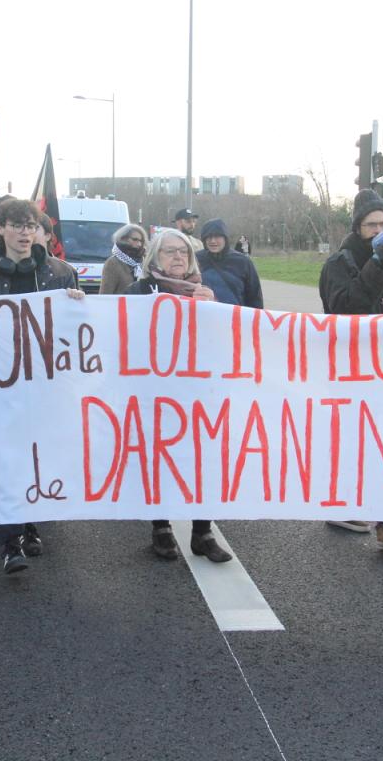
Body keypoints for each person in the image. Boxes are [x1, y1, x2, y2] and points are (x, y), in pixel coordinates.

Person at [0, 198, 82, 574]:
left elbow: (73, 329)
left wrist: (77, 302)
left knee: (36, 457)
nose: (25, 232)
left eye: (31, 225)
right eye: (18, 225)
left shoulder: (61, 272)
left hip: (44, 386)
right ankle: (9, 542)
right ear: (1, 229)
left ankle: (31, 524)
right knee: (4, 459)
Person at [125, 228, 234, 564]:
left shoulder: (204, 292)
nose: (177, 257)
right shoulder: (139, 291)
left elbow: (226, 339)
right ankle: (161, 528)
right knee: (160, 460)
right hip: (155, 393)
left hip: (198, 394)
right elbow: (120, 334)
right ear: (154, 258)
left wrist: (213, 310)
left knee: (203, 462)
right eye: (168, 252)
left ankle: (202, 533)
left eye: (183, 252)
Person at [317, 189, 383, 549]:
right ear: (358, 228)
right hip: (349, 369)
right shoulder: (338, 263)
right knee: (353, 441)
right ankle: (340, 503)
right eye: (372, 225)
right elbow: (343, 308)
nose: (379, 230)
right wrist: (375, 266)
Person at [195, 219, 264, 308]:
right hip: (203, 316)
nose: (212, 241)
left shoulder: (243, 262)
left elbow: (255, 297)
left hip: (235, 318)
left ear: (225, 238)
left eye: (217, 236)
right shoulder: (196, 259)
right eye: (208, 237)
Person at [98, 224, 148, 295]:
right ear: (123, 238)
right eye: (135, 240)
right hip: (119, 305)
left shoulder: (144, 262)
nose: (139, 244)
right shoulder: (113, 263)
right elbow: (105, 295)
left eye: (141, 241)